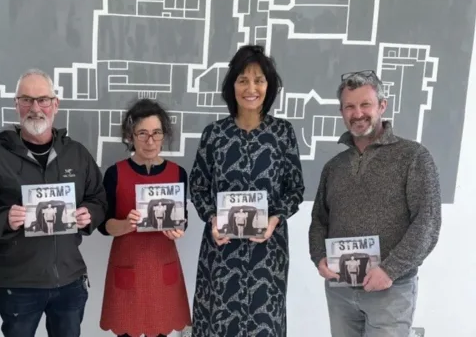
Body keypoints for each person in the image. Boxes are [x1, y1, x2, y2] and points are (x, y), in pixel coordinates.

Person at [0, 68, 107, 337]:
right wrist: (4, 217)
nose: (35, 108)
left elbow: (98, 198)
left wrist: (89, 214)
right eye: (27, 100)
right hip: (18, 284)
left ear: (56, 104)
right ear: (16, 104)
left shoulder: (77, 154)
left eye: (43, 99)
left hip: (70, 280)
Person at [308, 69, 442, 337]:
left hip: (390, 291)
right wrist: (318, 256)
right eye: (350, 106)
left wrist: (389, 270)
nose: (358, 113)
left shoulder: (413, 157)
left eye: (365, 104)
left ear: (382, 105)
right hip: (341, 292)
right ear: (342, 112)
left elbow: (427, 223)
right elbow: (320, 220)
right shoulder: (334, 167)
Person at [189, 44, 305, 337]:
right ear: (232, 86)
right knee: (219, 324)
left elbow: (295, 188)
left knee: (264, 325)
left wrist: (275, 219)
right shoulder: (214, 134)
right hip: (222, 250)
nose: (251, 88)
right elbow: (199, 185)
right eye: (243, 79)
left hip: (268, 252)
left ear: (269, 86)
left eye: (259, 80)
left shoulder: (283, 133)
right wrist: (212, 219)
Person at [98, 99, 192, 337]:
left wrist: (178, 229)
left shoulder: (177, 173)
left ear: (164, 135)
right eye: (142, 133)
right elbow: (104, 224)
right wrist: (125, 225)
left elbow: (182, 219)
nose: (150, 141)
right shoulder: (115, 173)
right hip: (128, 267)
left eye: (156, 133)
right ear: (131, 136)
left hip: (163, 268)